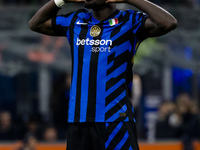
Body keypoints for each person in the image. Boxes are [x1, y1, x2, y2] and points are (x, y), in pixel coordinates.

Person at [28, 0, 177, 149]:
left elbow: (168, 23)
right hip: (78, 122)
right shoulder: (76, 20)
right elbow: (35, 24)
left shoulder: (130, 21)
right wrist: (61, 0)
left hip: (116, 122)